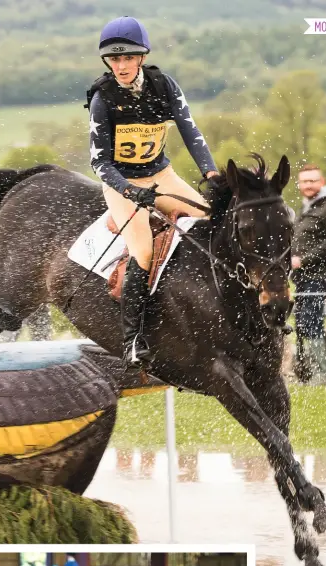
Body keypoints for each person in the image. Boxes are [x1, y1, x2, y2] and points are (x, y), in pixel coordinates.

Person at [88, 16, 219, 367]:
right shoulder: (103, 98)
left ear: (141, 58)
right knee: (143, 251)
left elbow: (192, 133)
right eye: (114, 60)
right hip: (121, 185)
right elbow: (100, 163)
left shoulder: (164, 86)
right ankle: (132, 339)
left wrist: (211, 171)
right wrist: (130, 190)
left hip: (162, 176)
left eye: (127, 58)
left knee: (211, 220)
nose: (120, 66)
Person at [291, 164, 326, 384]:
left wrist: (303, 259)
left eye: (312, 181)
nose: (308, 185)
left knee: (312, 320)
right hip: (303, 277)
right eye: (304, 181)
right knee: (302, 322)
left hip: (320, 275)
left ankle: (321, 374)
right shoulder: (307, 207)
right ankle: (305, 373)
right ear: (299, 184)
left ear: (321, 182)